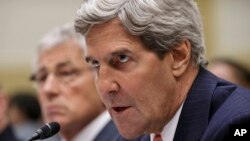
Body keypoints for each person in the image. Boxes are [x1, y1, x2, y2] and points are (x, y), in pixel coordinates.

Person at [75, 0, 250, 141]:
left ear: (178, 56)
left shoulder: (237, 123)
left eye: (122, 59)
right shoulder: (138, 131)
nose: (105, 87)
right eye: (96, 64)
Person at [30, 24, 120, 141]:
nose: (49, 89)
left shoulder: (129, 137)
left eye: (66, 73)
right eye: (42, 77)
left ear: (101, 77)